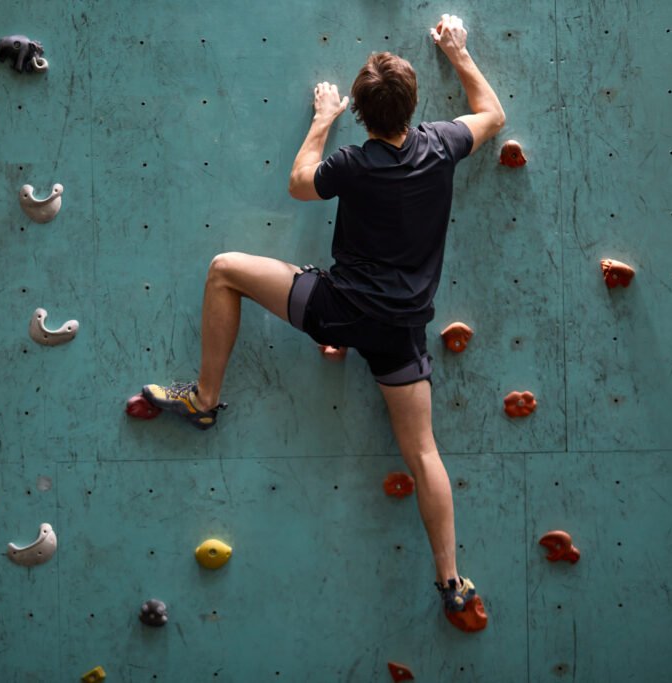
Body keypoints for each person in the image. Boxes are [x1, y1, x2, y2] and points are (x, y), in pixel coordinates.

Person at [140, 14, 505, 625]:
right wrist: (459, 52)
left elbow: (298, 184)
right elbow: (492, 114)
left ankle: (206, 397)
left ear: (362, 115)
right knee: (423, 454)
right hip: (400, 331)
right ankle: (452, 584)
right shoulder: (441, 144)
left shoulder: (352, 163)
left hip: (336, 311)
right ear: (413, 106)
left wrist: (320, 118)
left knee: (225, 268)